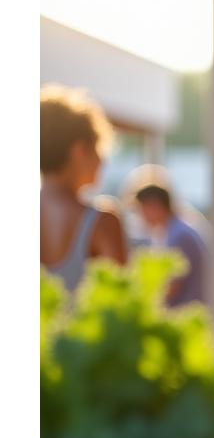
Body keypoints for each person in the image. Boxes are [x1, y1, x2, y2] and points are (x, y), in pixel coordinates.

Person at [40, 84, 128, 289]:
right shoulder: (102, 222)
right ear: (79, 150)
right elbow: (124, 310)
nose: (103, 161)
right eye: (99, 150)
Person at [133, 181, 208, 307]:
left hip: (183, 315)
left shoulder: (179, 235)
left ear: (154, 206)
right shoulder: (172, 232)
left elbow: (172, 287)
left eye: (141, 209)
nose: (141, 216)